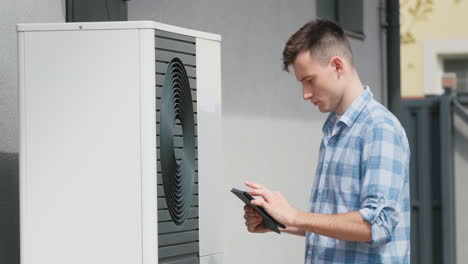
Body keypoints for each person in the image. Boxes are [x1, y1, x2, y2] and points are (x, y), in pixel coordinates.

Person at [243, 19, 410, 263]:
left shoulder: (379, 128)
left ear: (337, 66)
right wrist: (278, 221)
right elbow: (334, 224)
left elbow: (378, 224)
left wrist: (295, 216)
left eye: (310, 80)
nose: (305, 94)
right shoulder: (334, 130)